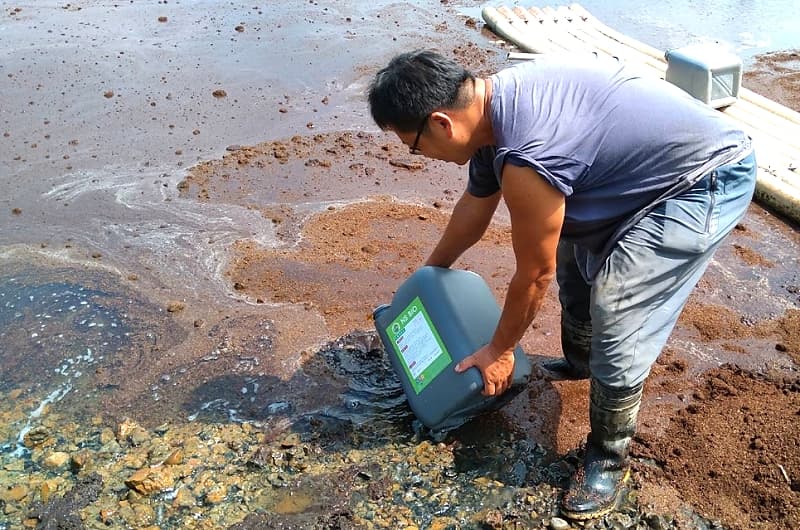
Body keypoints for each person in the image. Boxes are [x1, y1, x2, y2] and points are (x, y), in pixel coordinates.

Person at [367, 49, 756, 520]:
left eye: (414, 146)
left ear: (441, 123)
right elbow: (474, 210)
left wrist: (499, 351)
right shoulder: (489, 115)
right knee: (571, 245)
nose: (421, 157)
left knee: (618, 303)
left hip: (703, 178)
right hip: (645, 169)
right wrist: (423, 281)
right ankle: (580, 362)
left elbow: (534, 276)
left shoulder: (527, 153)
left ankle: (609, 459)